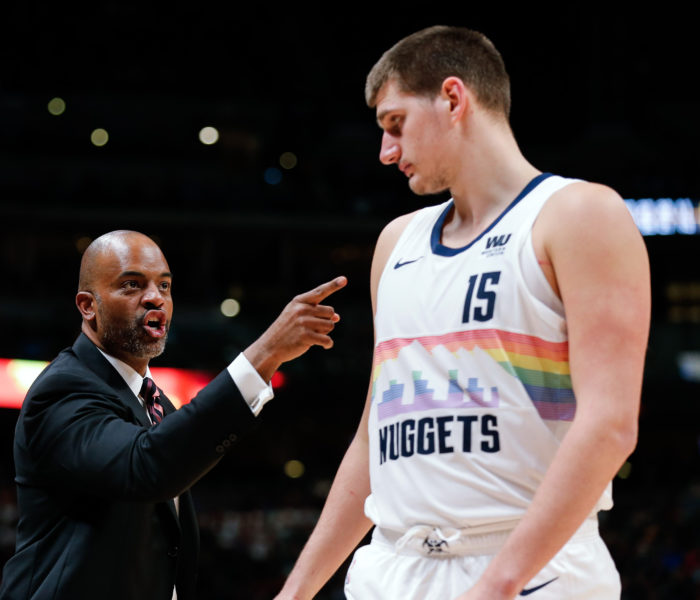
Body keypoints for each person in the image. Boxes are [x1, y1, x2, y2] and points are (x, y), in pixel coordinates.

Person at [275, 25, 650, 600]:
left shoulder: (579, 214)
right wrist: (295, 592)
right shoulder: (395, 243)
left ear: (453, 99)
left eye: (395, 124)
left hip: (529, 571)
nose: (386, 152)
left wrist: (497, 585)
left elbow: (611, 425)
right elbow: (374, 439)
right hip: (391, 567)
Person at [0, 230, 346, 599]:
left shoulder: (155, 399)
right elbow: (147, 467)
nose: (155, 298)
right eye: (132, 285)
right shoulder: (63, 390)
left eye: (164, 286)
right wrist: (262, 357)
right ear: (88, 306)